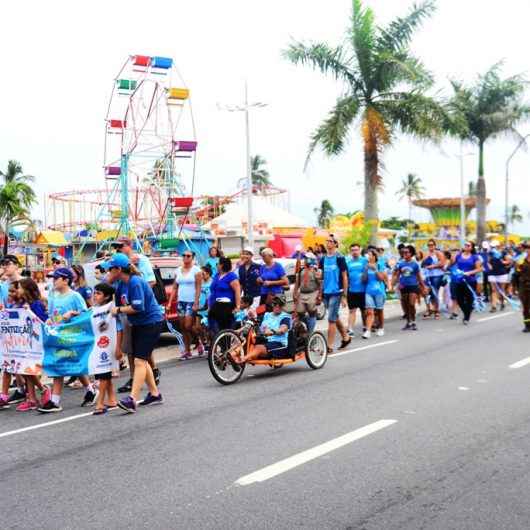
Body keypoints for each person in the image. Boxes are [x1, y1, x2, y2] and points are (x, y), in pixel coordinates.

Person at [107, 253, 163, 413]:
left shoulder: (135, 282)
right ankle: (154, 394)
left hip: (151, 323)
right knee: (142, 361)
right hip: (138, 324)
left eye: (110, 270)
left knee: (139, 361)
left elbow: (138, 307)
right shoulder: (120, 286)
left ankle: (132, 399)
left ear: (118, 269)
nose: (108, 273)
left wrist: (117, 309)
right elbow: (119, 310)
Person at [37, 268, 97, 413]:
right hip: (57, 336)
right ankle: (91, 390)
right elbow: (51, 315)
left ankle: (55, 401)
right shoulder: (53, 296)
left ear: (65, 280)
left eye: (56, 278)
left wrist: (72, 314)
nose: (53, 281)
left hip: (72, 336)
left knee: (60, 365)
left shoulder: (75, 296)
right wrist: (51, 321)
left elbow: (85, 314)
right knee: (72, 364)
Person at [14, 279, 52, 411]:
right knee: (24, 369)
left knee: (29, 369)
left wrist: (29, 312)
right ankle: (32, 398)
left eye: (19, 288)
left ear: (26, 289)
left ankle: (42, 390)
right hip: (24, 341)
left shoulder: (36, 304)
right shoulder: (21, 304)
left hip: (36, 342)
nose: (17, 290)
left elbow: (42, 322)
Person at [234, 296, 291, 365]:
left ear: (283, 306)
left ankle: (243, 359)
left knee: (259, 348)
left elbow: (283, 329)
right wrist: (239, 330)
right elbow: (253, 322)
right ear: (272, 304)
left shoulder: (285, 317)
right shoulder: (267, 315)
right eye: (275, 303)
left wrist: (273, 332)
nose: (277, 306)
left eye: (280, 304)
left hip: (278, 343)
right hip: (264, 340)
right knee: (244, 341)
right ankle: (228, 357)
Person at [92, 283, 121, 415]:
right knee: (104, 372)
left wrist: (119, 347)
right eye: (94, 293)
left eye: (98, 293)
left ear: (107, 296)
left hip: (110, 345)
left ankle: (99, 403)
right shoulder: (94, 309)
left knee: (104, 374)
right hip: (98, 346)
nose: (94, 296)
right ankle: (112, 399)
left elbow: (119, 328)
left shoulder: (112, 308)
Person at [167, 250, 202, 360]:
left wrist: (196, 302)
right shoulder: (178, 270)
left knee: (188, 325)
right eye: (184, 255)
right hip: (181, 301)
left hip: (191, 301)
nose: (186, 257)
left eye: (188, 256)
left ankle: (199, 341)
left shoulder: (196, 271)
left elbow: (198, 287)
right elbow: (174, 287)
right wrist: (169, 302)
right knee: (182, 327)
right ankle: (187, 351)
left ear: (192, 258)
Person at [319, 236, 350, 352]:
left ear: (336, 244)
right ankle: (346, 337)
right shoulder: (323, 259)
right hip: (326, 292)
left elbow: (344, 276)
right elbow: (321, 276)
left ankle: (329, 346)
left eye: (331, 241)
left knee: (331, 319)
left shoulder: (340, 258)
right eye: (326, 241)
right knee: (335, 317)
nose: (328, 243)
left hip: (337, 292)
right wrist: (319, 291)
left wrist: (344, 296)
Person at [392, 245, 425, 331]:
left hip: (413, 286)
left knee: (411, 304)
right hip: (403, 286)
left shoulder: (415, 264)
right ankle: (408, 322)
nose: (404, 254)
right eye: (403, 252)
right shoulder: (401, 263)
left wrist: (423, 287)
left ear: (411, 253)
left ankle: (413, 321)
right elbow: (397, 275)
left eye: (406, 252)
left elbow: (419, 276)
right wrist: (394, 284)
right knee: (406, 305)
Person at [451, 242, 483, 325]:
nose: (466, 246)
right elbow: (452, 264)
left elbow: (479, 269)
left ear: (471, 248)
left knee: (469, 299)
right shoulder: (459, 255)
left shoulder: (474, 257)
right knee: (459, 299)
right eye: (465, 245)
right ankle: (466, 313)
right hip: (459, 280)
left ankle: (466, 317)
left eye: (468, 245)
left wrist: (469, 272)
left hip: (470, 281)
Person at [208, 256, 241, 335]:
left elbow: (237, 291)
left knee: (224, 327)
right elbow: (212, 291)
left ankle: (225, 344)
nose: (216, 265)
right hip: (214, 305)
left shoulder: (231, 276)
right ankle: (220, 342)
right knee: (213, 325)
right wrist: (209, 305)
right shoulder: (217, 275)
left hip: (226, 305)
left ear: (222, 265)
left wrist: (238, 306)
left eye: (217, 264)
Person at [293, 252, 321, 333]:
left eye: (307, 258)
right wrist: (295, 293)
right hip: (302, 293)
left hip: (312, 292)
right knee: (300, 312)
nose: (305, 260)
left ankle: (310, 332)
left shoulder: (315, 270)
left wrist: (319, 295)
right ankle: (305, 327)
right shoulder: (301, 270)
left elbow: (320, 284)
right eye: (305, 258)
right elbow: (297, 283)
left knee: (311, 311)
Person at [362, 249, 387, 338]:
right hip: (368, 291)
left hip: (379, 291)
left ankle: (381, 328)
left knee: (380, 310)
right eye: (367, 255)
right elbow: (363, 280)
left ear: (374, 256)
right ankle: (368, 331)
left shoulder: (380, 265)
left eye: (369, 255)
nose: (368, 257)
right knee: (369, 311)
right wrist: (365, 271)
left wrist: (375, 269)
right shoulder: (366, 266)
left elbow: (381, 278)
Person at [346, 243, 367, 336]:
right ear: (350, 251)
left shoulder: (364, 261)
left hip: (363, 290)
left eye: (356, 250)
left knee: (364, 310)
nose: (354, 252)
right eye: (353, 250)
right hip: (352, 290)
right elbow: (345, 276)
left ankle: (366, 326)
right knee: (352, 310)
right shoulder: (348, 263)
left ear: (359, 250)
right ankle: (350, 329)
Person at [422, 239, 446, 319]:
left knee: (434, 292)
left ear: (435, 245)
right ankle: (429, 309)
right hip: (428, 276)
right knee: (425, 292)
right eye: (429, 245)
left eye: (432, 245)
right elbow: (423, 264)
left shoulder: (438, 253)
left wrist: (432, 266)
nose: (430, 246)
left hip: (437, 275)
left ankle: (436, 311)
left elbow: (442, 263)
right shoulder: (426, 254)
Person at [488, 241, 512, 312]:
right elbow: (488, 261)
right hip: (492, 273)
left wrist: (504, 262)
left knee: (501, 290)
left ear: (499, 245)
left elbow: (509, 261)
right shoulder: (491, 252)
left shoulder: (504, 252)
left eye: (496, 245)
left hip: (502, 273)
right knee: (493, 290)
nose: (494, 247)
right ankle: (494, 306)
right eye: (493, 246)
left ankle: (502, 303)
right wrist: (490, 266)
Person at [515, 242, 530, 332]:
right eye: (527, 248)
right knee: (525, 307)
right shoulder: (521, 260)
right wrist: (514, 287)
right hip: (523, 286)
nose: (528, 250)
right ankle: (527, 325)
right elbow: (516, 274)